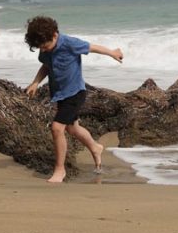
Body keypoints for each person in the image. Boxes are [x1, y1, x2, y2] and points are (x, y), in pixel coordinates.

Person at [24, 16, 123, 183]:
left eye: (46, 46)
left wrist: (113, 53)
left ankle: (59, 170)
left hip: (75, 93)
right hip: (60, 94)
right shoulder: (45, 46)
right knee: (72, 129)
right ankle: (95, 147)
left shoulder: (70, 43)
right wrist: (35, 83)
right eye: (41, 48)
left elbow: (93, 48)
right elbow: (46, 66)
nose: (44, 50)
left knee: (57, 128)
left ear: (54, 35)